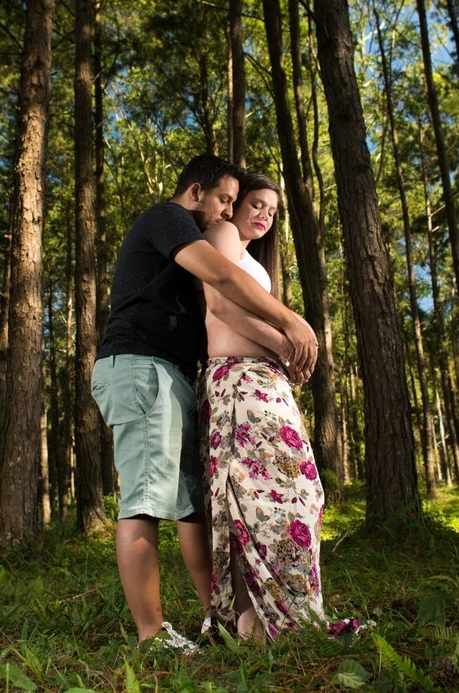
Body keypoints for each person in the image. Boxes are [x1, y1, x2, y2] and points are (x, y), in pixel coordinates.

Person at [89, 155, 318, 654]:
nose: (227, 213)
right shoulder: (169, 217)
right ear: (196, 191)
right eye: (224, 200)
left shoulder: (196, 229)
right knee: (144, 501)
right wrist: (292, 323)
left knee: (192, 506)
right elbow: (223, 279)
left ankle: (220, 622)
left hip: (170, 373)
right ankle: (151, 636)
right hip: (140, 366)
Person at [201, 173, 352, 641]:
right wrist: (288, 342)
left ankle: (285, 615)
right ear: (235, 204)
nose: (264, 215)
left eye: (272, 210)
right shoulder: (223, 234)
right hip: (239, 379)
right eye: (256, 204)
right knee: (254, 498)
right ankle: (255, 619)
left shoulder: (254, 260)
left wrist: (285, 355)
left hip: (264, 381)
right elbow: (221, 305)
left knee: (299, 493)